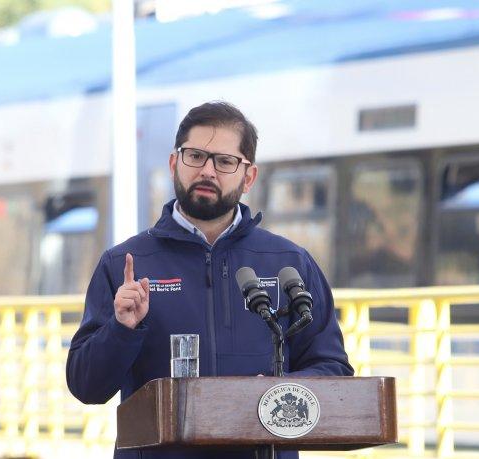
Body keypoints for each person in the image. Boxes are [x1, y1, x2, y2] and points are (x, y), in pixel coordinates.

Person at [66, 101, 353, 459]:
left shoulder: (289, 264)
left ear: (248, 176)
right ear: (175, 164)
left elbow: (334, 370)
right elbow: (86, 386)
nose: (208, 171)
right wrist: (121, 329)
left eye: (225, 161)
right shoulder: (126, 264)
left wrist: (284, 392)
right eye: (195, 156)